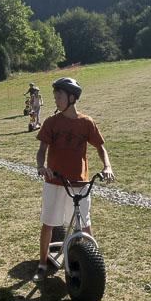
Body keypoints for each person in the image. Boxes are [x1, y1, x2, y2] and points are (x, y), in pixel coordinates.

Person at [33, 77, 115, 282]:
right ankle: (42, 264)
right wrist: (41, 167)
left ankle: (93, 264)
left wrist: (107, 166)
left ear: (72, 97)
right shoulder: (52, 122)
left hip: (79, 182)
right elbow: (42, 149)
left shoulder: (86, 122)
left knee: (84, 224)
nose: (56, 99)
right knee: (48, 224)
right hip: (54, 181)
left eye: (59, 96)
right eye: (55, 96)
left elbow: (100, 147)